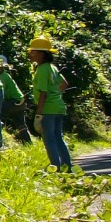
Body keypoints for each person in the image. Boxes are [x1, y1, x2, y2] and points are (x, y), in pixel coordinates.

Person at [29, 36, 72, 170]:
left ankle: (56, 168)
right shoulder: (52, 68)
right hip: (58, 107)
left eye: (33, 51)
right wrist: (56, 94)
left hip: (48, 109)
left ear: (41, 54)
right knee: (58, 138)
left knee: (49, 140)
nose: (30, 54)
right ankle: (67, 167)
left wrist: (38, 114)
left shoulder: (42, 70)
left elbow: (43, 94)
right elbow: (64, 84)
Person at [0, 55, 32, 144]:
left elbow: (0, 94)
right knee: (21, 125)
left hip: (14, 102)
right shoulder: (6, 75)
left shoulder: (2, 77)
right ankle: (28, 143)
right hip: (20, 102)